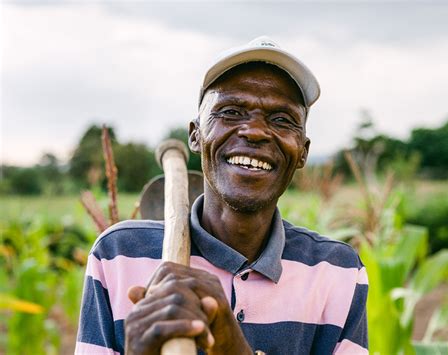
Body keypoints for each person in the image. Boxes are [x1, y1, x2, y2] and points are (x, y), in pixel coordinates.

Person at [75, 36, 368, 355]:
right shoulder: (119, 255)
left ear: (302, 152)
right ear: (195, 135)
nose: (254, 131)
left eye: (281, 120)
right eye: (230, 111)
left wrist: (232, 348)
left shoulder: (337, 271)